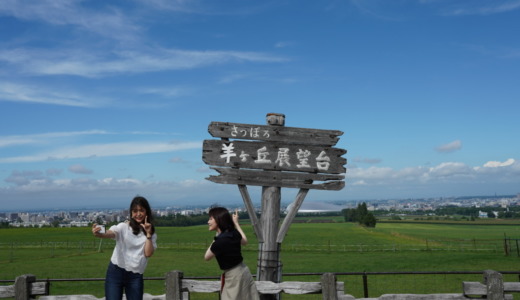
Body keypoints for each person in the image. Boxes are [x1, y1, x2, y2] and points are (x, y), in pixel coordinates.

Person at [92, 196, 157, 300]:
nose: (138, 214)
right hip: (116, 271)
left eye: (141, 210)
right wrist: (100, 233)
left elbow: (148, 253)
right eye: (135, 211)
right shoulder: (124, 227)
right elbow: (112, 232)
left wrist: (148, 234)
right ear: (131, 213)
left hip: (135, 275)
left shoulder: (151, 233)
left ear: (147, 212)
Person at [204, 207, 260, 300]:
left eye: (210, 219)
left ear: (218, 220)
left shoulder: (220, 242)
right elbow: (245, 241)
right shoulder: (233, 233)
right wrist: (236, 224)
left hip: (234, 276)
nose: (208, 222)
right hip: (243, 270)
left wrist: (216, 238)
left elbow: (206, 257)